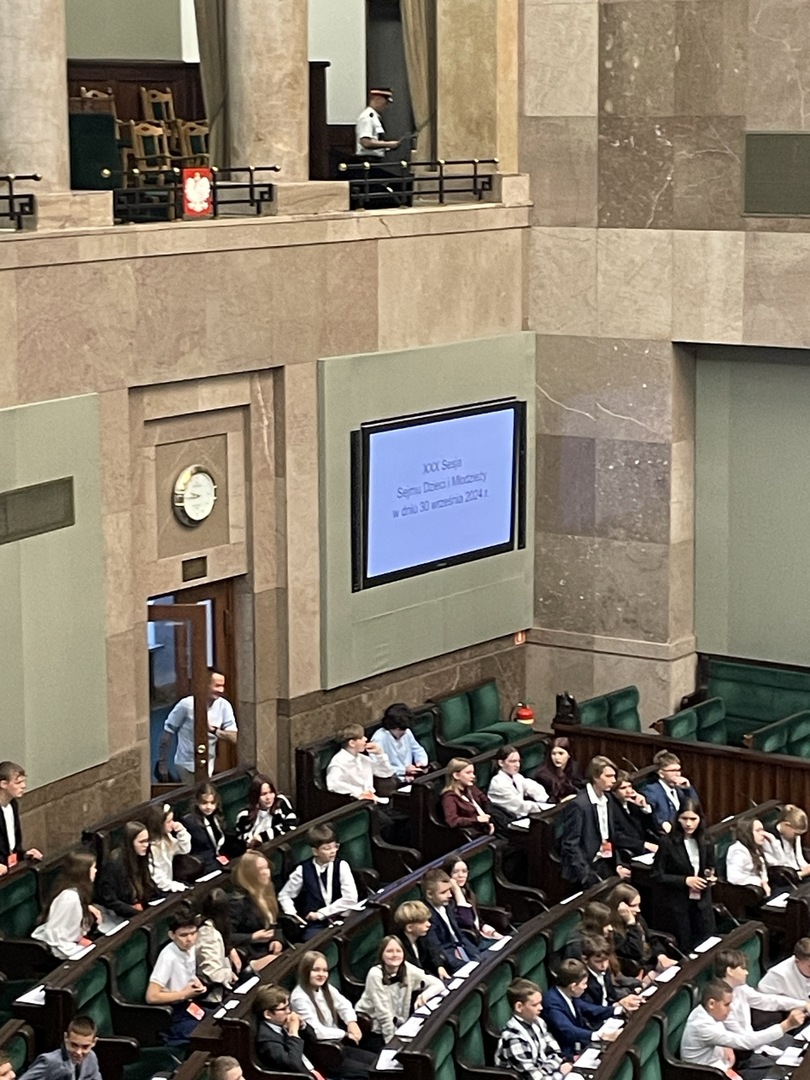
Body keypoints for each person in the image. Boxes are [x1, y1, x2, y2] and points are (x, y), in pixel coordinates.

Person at [680, 978, 805, 1079]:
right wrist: (786, 1025)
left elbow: (719, 1033)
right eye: (727, 1005)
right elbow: (746, 1042)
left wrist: (725, 1046)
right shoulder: (702, 1026)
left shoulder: (705, 1011)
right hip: (706, 1074)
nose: (730, 1009)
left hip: (721, 1065)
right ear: (711, 1003)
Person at [290, 951, 376, 1079]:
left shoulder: (326, 988)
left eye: (325, 970)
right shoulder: (299, 998)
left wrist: (351, 1022)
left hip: (339, 1045)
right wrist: (345, 1034)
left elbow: (344, 1005)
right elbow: (317, 1032)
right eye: (316, 970)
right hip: (324, 1053)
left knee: (376, 1062)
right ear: (306, 971)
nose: (321, 974)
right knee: (369, 1073)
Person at [650, 798, 716, 951]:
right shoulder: (667, 842)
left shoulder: (707, 840)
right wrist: (685, 880)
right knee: (685, 947)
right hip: (678, 905)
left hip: (702, 903)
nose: (688, 824)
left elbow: (710, 866)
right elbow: (656, 875)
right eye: (684, 818)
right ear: (678, 818)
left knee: (706, 945)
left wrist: (711, 876)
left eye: (693, 819)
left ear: (700, 819)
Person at [558, 756, 631, 887]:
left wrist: (617, 864)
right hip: (586, 868)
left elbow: (609, 836)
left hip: (605, 862)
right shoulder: (579, 805)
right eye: (608, 776)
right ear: (595, 777)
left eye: (614, 776)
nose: (614, 781)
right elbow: (570, 845)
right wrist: (587, 876)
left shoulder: (608, 799)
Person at [356, 935, 444, 1043]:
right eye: (389, 951)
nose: (394, 955)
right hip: (373, 1028)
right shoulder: (375, 974)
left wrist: (424, 996)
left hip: (398, 1025)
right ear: (381, 955)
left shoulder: (407, 968)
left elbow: (438, 984)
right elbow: (384, 1014)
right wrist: (392, 1043)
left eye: (398, 951)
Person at [158, 668, 238, 785]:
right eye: (217, 686)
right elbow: (167, 732)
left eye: (223, 686)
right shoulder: (186, 705)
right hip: (186, 764)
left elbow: (234, 738)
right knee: (198, 793)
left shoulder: (224, 706)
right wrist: (162, 764)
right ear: (205, 685)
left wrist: (214, 730)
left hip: (208, 765)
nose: (221, 690)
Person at [278, 823, 358, 939]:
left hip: (341, 916)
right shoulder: (302, 870)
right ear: (315, 851)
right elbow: (284, 895)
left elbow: (350, 898)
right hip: (315, 925)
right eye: (327, 848)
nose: (333, 851)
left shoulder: (342, 865)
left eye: (335, 846)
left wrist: (322, 913)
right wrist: (292, 913)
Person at [145, 906, 208, 1046]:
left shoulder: (190, 948)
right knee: (206, 1033)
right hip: (173, 1014)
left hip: (189, 1006)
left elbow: (187, 974)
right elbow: (151, 996)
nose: (190, 939)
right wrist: (184, 994)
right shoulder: (168, 957)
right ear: (172, 935)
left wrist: (196, 983)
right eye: (183, 935)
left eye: (193, 933)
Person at [715, 949, 808, 1038]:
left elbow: (767, 1000)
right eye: (742, 969)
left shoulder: (741, 988)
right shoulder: (723, 1004)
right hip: (745, 1043)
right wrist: (786, 1026)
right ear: (730, 971)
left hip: (753, 1038)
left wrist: (804, 1004)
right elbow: (744, 1039)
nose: (746, 973)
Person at [541, 959, 620, 1061]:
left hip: (579, 1045)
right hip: (567, 1055)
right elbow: (568, 1030)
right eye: (584, 983)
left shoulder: (568, 993)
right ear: (573, 986)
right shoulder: (552, 1003)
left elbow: (590, 1009)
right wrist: (599, 1036)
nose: (586, 987)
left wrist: (618, 1009)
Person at [495, 978, 572, 1080]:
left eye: (540, 1003)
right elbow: (533, 1077)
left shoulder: (539, 1022)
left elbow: (556, 1052)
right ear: (519, 1007)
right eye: (535, 1005)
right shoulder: (514, 1038)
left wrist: (546, 1070)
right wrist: (560, 1073)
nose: (541, 1008)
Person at [31, 850, 100, 960]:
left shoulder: (78, 894)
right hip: (57, 952)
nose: (96, 871)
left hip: (71, 943)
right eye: (93, 868)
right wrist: (79, 948)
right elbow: (55, 936)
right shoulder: (69, 898)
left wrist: (79, 939)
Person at [228, 850, 286, 970]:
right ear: (249, 874)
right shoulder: (238, 902)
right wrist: (252, 937)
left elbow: (277, 922)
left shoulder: (268, 890)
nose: (266, 872)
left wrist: (277, 939)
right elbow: (227, 936)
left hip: (268, 948)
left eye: (267, 867)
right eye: (260, 869)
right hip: (250, 953)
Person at [607, 882, 678, 979]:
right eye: (633, 906)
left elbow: (650, 938)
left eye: (638, 905)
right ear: (621, 906)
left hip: (652, 961)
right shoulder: (612, 930)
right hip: (638, 969)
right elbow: (635, 951)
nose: (638, 910)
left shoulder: (637, 917)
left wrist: (661, 956)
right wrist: (631, 924)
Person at [94, 820, 157, 921]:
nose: (146, 845)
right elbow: (110, 899)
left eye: (147, 841)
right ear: (130, 842)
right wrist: (135, 911)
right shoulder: (115, 862)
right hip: (118, 914)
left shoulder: (141, 856)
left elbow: (147, 883)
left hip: (140, 906)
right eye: (142, 842)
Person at [422, 868, 481, 972]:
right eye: (444, 892)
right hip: (448, 959)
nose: (450, 895)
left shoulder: (448, 904)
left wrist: (477, 957)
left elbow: (465, 925)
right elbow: (435, 948)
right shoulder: (424, 915)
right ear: (430, 894)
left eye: (450, 890)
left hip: (464, 949)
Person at [442, 853, 503, 948]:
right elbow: (466, 921)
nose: (461, 875)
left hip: (482, 937)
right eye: (456, 872)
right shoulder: (447, 900)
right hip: (469, 945)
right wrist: (457, 890)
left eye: (464, 871)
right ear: (448, 875)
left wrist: (492, 932)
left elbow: (478, 920)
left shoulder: (468, 891)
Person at [325, 724, 394, 802]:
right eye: (361, 738)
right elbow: (333, 784)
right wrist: (358, 793)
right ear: (352, 743)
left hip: (373, 800)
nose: (365, 739)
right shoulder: (338, 763)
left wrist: (379, 754)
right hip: (355, 802)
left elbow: (385, 773)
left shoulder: (363, 759)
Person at [254, 984, 313, 1076]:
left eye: (288, 1006)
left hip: (313, 1069)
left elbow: (313, 1038)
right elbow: (294, 1065)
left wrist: (302, 1025)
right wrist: (293, 1033)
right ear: (268, 1014)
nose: (288, 1011)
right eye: (283, 1009)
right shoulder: (267, 1042)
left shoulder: (282, 1023)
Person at [18, 1015, 101, 1080]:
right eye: (74, 1045)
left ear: (94, 1042)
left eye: (85, 1047)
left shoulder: (91, 1058)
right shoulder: (50, 1061)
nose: (78, 1052)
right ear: (66, 1037)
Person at [196, 887, 241, 1001]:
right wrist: (230, 974)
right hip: (213, 996)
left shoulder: (211, 926)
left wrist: (230, 949)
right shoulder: (208, 935)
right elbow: (213, 973)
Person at [579, 935, 643, 1014]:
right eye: (598, 961)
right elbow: (591, 1010)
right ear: (585, 959)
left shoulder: (605, 972)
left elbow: (611, 996)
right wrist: (617, 1006)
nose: (604, 965)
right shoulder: (583, 981)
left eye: (606, 960)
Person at [488, 745, 552, 819]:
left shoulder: (516, 776)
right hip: (509, 819)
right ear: (501, 763)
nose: (517, 765)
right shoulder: (498, 783)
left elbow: (531, 786)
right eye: (513, 761)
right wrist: (545, 807)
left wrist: (547, 799)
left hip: (520, 816)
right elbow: (519, 806)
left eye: (518, 761)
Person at [0, 760, 43, 872]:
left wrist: (24, 854)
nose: (23, 786)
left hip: (10, 866)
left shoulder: (13, 804)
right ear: (3, 784)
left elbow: (11, 842)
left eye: (24, 781)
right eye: (18, 783)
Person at [235, 773, 298, 847]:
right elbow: (240, 839)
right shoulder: (244, 815)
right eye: (264, 794)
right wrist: (252, 840)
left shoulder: (281, 802)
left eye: (271, 792)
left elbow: (292, 825)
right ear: (256, 796)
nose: (268, 797)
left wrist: (263, 836)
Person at [369, 703, 429, 781]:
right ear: (393, 727)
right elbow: (379, 767)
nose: (404, 733)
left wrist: (421, 762)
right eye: (400, 730)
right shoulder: (379, 738)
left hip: (411, 774)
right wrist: (404, 771)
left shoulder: (406, 732)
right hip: (393, 779)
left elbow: (417, 749)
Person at [143, 802, 193, 893]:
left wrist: (182, 832)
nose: (173, 824)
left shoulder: (166, 838)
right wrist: (177, 886)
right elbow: (158, 879)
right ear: (158, 824)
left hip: (169, 884)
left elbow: (184, 849)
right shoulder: (151, 847)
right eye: (169, 822)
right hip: (158, 890)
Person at [393, 899, 449, 979]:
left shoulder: (422, 937)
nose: (429, 924)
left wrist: (439, 966)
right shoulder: (398, 946)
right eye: (423, 922)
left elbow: (433, 952)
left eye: (427, 920)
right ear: (409, 927)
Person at [644, 751, 699, 832]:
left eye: (678, 770)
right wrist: (662, 823)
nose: (678, 774)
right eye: (673, 771)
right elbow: (650, 813)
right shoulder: (652, 790)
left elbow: (695, 806)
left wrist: (688, 788)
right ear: (661, 773)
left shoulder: (680, 788)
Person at [610, 770, 661, 857]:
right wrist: (644, 845)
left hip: (644, 850)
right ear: (613, 792)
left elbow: (652, 828)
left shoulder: (633, 803)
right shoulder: (611, 807)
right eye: (623, 788)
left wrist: (644, 807)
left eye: (630, 786)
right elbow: (617, 837)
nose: (629, 791)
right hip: (625, 853)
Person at [183, 781, 229, 874]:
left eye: (212, 803)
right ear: (197, 802)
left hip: (218, 859)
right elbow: (199, 851)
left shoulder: (216, 816)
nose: (209, 807)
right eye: (204, 803)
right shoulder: (190, 821)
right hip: (203, 865)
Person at [440, 758, 494, 836]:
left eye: (473, 773)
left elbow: (485, 801)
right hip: (476, 833)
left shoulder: (471, 788)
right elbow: (452, 821)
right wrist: (476, 819)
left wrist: (490, 817)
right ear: (456, 775)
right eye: (468, 773)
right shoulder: (449, 797)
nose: (473, 776)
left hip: (488, 827)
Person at [726, 819, 772, 896]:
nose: (763, 834)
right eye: (758, 831)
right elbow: (733, 877)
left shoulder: (756, 846)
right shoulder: (738, 849)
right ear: (747, 833)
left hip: (763, 889)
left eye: (762, 830)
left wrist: (773, 841)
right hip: (746, 893)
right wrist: (759, 882)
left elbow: (774, 862)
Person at [764, 804, 810, 878]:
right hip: (783, 877)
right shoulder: (769, 837)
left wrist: (806, 867)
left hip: (798, 872)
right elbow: (778, 866)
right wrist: (801, 874)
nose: (797, 836)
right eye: (796, 833)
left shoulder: (795, 835)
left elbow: (799, 857)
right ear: (786, 825)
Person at [533, 738, 583, 803]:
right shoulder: (542, 775)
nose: (556, 757)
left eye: (561, 753)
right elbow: (547, 800)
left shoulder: (575, 767)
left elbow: (580, 786)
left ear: (569, 755)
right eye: (553, 754)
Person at [355, 87, 400, 158]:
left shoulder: (375, 117)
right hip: (367, 158)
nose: (386, 106)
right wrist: (388, 144)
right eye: (386, 102)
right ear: (378, 99)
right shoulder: (368, 117)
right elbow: (366, 143)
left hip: (375, 158)